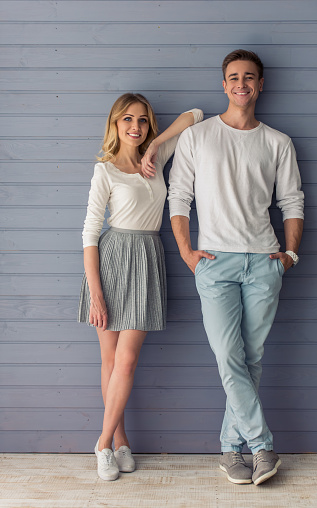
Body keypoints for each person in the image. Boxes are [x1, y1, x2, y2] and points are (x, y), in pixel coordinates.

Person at [168, 50, 304, 486]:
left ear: (260, 84)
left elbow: (292, 202)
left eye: (249, 77)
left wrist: (290, 254)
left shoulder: (278, 142)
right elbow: (178, 198)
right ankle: (262, 446)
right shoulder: (198, 136)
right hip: (213, 263)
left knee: (252, 358)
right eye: (233, 77)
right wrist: (188, 252)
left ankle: (231, 450)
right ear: (223, 85)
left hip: (265, 261)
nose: (241, 83)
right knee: (230, 356)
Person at [78, 93, 203, 481]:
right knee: (111, 361)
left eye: (142, 121)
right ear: (115, 124)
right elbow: (89, 234)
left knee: (126, 361)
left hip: (148, 257)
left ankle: (102, 443)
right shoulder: (105, 171)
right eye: (127, 120)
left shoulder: (157, 157)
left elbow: (195, 116)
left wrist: (155, 145)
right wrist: (96, 293)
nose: (135, 127)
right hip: (113, 260)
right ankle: (118, 442)